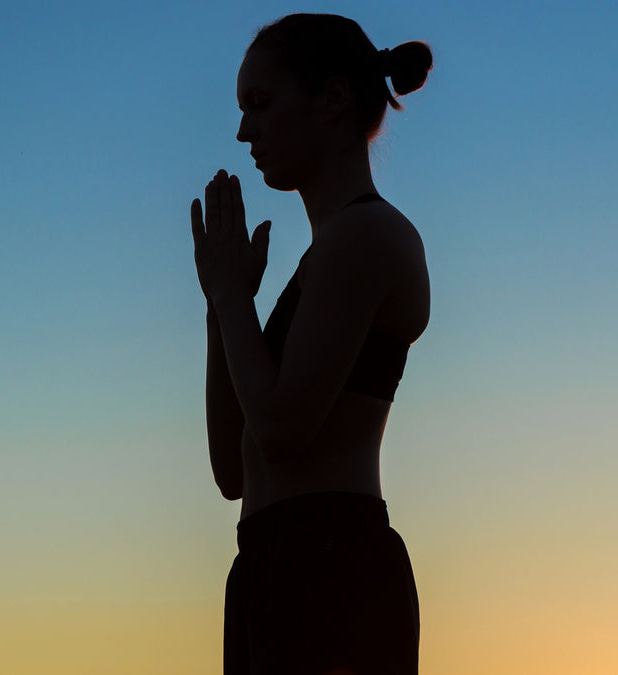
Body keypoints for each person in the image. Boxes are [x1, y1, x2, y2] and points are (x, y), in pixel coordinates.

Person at [190, 13, 433, 675]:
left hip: (331, 569)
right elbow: (233, 469)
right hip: (273, 565)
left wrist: (236, 299)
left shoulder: (368, 238)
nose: (245, 131)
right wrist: (223, 303)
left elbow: (282, 428)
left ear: (331, 99)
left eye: (261, 104)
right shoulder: (326, 255)